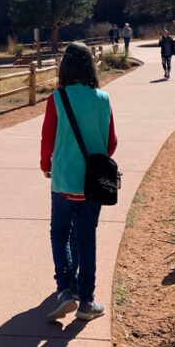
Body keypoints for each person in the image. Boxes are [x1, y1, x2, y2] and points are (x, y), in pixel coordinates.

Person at [40, 42, 117, 323]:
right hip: (92, 184)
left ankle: (63, 290)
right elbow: (111, 143)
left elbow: (47, 139)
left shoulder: (56, 99)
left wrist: (46, 165)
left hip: (63, 180)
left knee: (60, 233)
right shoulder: (103, 99)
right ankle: (86, 301)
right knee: (87, 239)